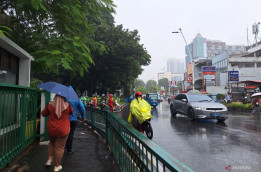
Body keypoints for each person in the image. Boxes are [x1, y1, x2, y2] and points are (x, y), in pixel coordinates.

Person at [41, 95, 74, 172]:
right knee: (59, 148)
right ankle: (57, 166)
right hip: (63, 130)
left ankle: (49, 161)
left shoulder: (49, 104)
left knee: (51, 143)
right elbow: (72, 112)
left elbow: (43, 114)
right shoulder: (68, 104)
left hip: (51, 129)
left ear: (55, 97)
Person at [65, 89, 86, 155]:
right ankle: (69, 150)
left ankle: (63, 146)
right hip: (73, 119)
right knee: (71, 133)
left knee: (64, 133)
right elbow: (82, 109)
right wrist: (83, 117)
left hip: (64, 119)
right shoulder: (76, 99)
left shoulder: (64, 98)